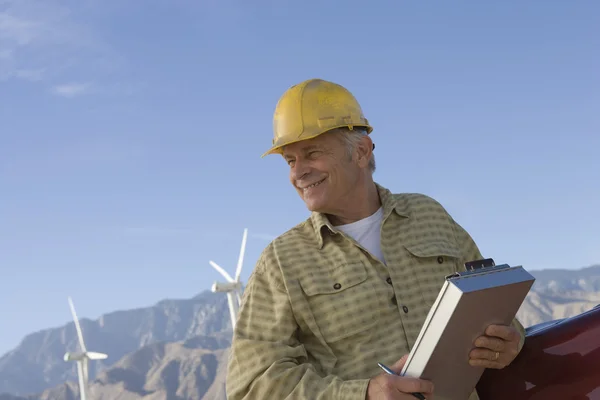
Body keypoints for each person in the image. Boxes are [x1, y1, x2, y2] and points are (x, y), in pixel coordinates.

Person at [226, 78, 526, 400]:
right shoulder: (281, 263)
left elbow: (494, 307)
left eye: (311, 153)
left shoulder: (430, 216)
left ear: (361, 151)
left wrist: (511, 341)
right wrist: (364, 394)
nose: (298, 172)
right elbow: (251, 385)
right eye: (290, 160)